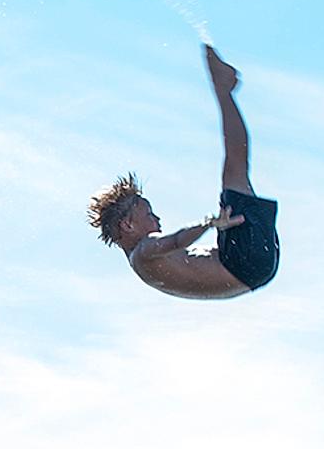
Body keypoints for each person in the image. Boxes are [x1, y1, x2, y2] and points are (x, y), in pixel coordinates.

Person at [88, 44, 280, 300]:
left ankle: (223, 88)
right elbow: (178, 240)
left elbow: (195, 262)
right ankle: (223, 89)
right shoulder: (144, 251)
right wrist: (210, 223)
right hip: (245, 263)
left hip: (252, 271)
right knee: (235, 169)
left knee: (238, 175)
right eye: (149, 214)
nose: (158, 219)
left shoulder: (145, 266)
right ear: (128, 224)